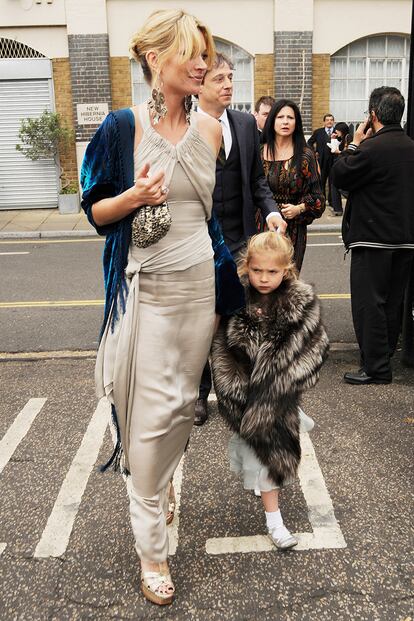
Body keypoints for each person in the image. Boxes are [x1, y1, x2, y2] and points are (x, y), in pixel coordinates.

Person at [80, 10, 244, 606]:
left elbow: (211, 222)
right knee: (147, 419)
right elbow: (95, 211)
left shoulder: (212, 129)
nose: (204, 63)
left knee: (180, 405)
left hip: (198, 286)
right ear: (156, 60)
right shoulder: (120, 127)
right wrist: (132, 196)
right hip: (145, 290)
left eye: (206, 53)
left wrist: (232, 299)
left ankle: (162, 477)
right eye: (192, 53)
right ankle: (153, 549)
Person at [211, 232, 328, 548]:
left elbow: (314, 349)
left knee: (267, 462)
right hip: (246, 400)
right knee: (260, 456)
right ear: (246, 267)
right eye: (257, 270)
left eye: (272, 272)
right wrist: (237, 395)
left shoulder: (299, 303)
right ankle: (273, 516)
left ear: (286, 269)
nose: (263, 278)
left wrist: (284, 383)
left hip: (280, 400)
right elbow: (221, 350)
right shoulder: (236, 300)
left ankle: (272, 515)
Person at [194, 53, 286, 425]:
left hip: (239, 239)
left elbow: (256, 181)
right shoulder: (185, 124)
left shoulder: (247, 124)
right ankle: (199, 395)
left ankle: (237, 389)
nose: (229, 84)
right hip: (199, 240)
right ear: (199, 84)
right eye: (219, 78)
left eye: (231, 77)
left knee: (241, 319)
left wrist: (272, 210)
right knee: (202, 321)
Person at [331, 86, 414, 385]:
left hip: (372, 237)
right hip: (405, 239)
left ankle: (376, 367)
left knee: (370, 304)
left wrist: (353, 143)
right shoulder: (409, 146)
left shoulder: (370, 149)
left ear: (373, 115)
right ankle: (385, 357)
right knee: (392, 302)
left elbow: (340, 175)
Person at [261, 98, 325, 272]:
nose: (285, 122)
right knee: (259, 284)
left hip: (292, 231)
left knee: (285, 284)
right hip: (260, 227)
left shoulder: (305, 156)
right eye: (280, 117)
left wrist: (299, 208)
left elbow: (319, 199)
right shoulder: (259, 151)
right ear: (272, 120)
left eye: (290, 117)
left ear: (296, 123)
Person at [307, 113, 335, 204]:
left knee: (333, 182)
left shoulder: (337, 132)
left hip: (334, 161)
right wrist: (314, 152)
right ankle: (322, 201)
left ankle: (331, 201)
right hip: (321, 161)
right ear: (324, 122)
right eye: (327, 120)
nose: (329, 121)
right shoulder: (318, 132)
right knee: (321, 182)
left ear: (333, 122)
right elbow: (309, 142)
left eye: (331, 120)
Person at [329, 122, 353, 216]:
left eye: (337, 130)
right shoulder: (341, 138)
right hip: (340, 163)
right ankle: (337, 209)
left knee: (339, 186)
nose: (336, 132)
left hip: (345, 164)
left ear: (342, 130)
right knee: (335, 185)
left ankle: (339, 208)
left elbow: (349, 150)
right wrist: (333, 139)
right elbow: (334, 148)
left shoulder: (348, 137)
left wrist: (339, 151)